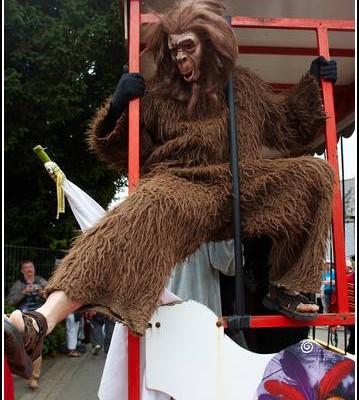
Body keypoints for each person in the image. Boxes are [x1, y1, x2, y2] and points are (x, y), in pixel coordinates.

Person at [5, 0, 338, 377]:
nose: (180, 59)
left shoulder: (244, 88)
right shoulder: (160, 97)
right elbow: (118, 151)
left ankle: (287, 287)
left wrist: (314, 82)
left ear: (212, 44)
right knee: (142, 207)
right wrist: (117, 109)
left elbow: (292, 127)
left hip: (239, 185)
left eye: (189, 47)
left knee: (315, 173)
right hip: (181, 186)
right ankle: (37, 324)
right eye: (174, 49)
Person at [7, 261, 47, 388]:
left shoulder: (41, 281)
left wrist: (43, 293)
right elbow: (10, 300)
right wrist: (23, 292)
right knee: (20, 347)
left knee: (36, 347)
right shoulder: (19, 285)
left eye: (31, 267)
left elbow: (52, 298)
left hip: (39, 317)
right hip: (21, 319)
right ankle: (21, 371)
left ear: (34, 268)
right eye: (26, 268)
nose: (29, 270)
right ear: (22, 271)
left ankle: (34, 377)